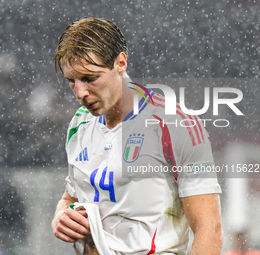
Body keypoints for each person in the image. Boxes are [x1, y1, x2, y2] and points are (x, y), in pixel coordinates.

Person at [51, 17, 222, 255]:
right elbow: (71, 196)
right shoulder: (79, 123)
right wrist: (61, 215)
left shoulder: (174, 123)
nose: (80, 92)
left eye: (90, 78)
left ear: (120, 63)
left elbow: (209, 229)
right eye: (72, 81)